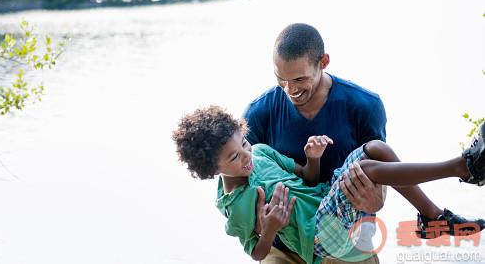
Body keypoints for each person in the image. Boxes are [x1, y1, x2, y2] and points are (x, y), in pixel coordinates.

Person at [172, 106, 485, 264]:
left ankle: (433, 218)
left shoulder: (262, 152)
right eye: (233, 158)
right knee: (366, 169)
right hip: (318, 237)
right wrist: (269, 228)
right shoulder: (235, 203)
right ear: (212, 169)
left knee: (376, 148)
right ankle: (463, 167)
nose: (245, 158)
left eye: (244, 145)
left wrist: (314, 158)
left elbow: (307, 177)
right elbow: (256, 252)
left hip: (324, 202)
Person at [243, 23, 386, 263]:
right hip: (284, 247)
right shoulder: (258, 113)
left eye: (300, 79)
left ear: (324, 62)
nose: (290, 90)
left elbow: (380, 175)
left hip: (346, 241)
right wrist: (258, 217)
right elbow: (236, 177)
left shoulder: (365, 106)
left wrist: (377, 201)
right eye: (281, 79)